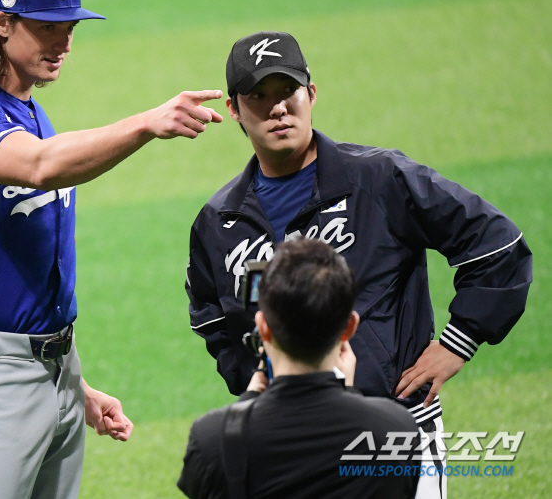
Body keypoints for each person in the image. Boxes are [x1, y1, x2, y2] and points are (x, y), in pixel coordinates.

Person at [0, 0, 223, 499]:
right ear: (1, 24)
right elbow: (40, 166)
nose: (62, 42)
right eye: (46, 27)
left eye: (69, 26)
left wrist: (74, 386)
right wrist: (147, 123)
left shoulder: (29, 110)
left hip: (54, 371)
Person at [185, 31, 533, 498]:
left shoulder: (379, 179)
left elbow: (496, 243)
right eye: (258, 96)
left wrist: (459, 341)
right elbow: (212, 315)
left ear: (310, 94)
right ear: (234, 109)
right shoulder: (220, 221)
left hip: (390, 435)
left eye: (287, 91)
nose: (277, 108)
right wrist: (250, 380)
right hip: (282, 437)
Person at [179, 240, 420, 499]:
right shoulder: (396, 430)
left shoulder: (212, 440)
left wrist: (246, 403)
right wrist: (348, 393)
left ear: (263, 328)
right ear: (349, 327)